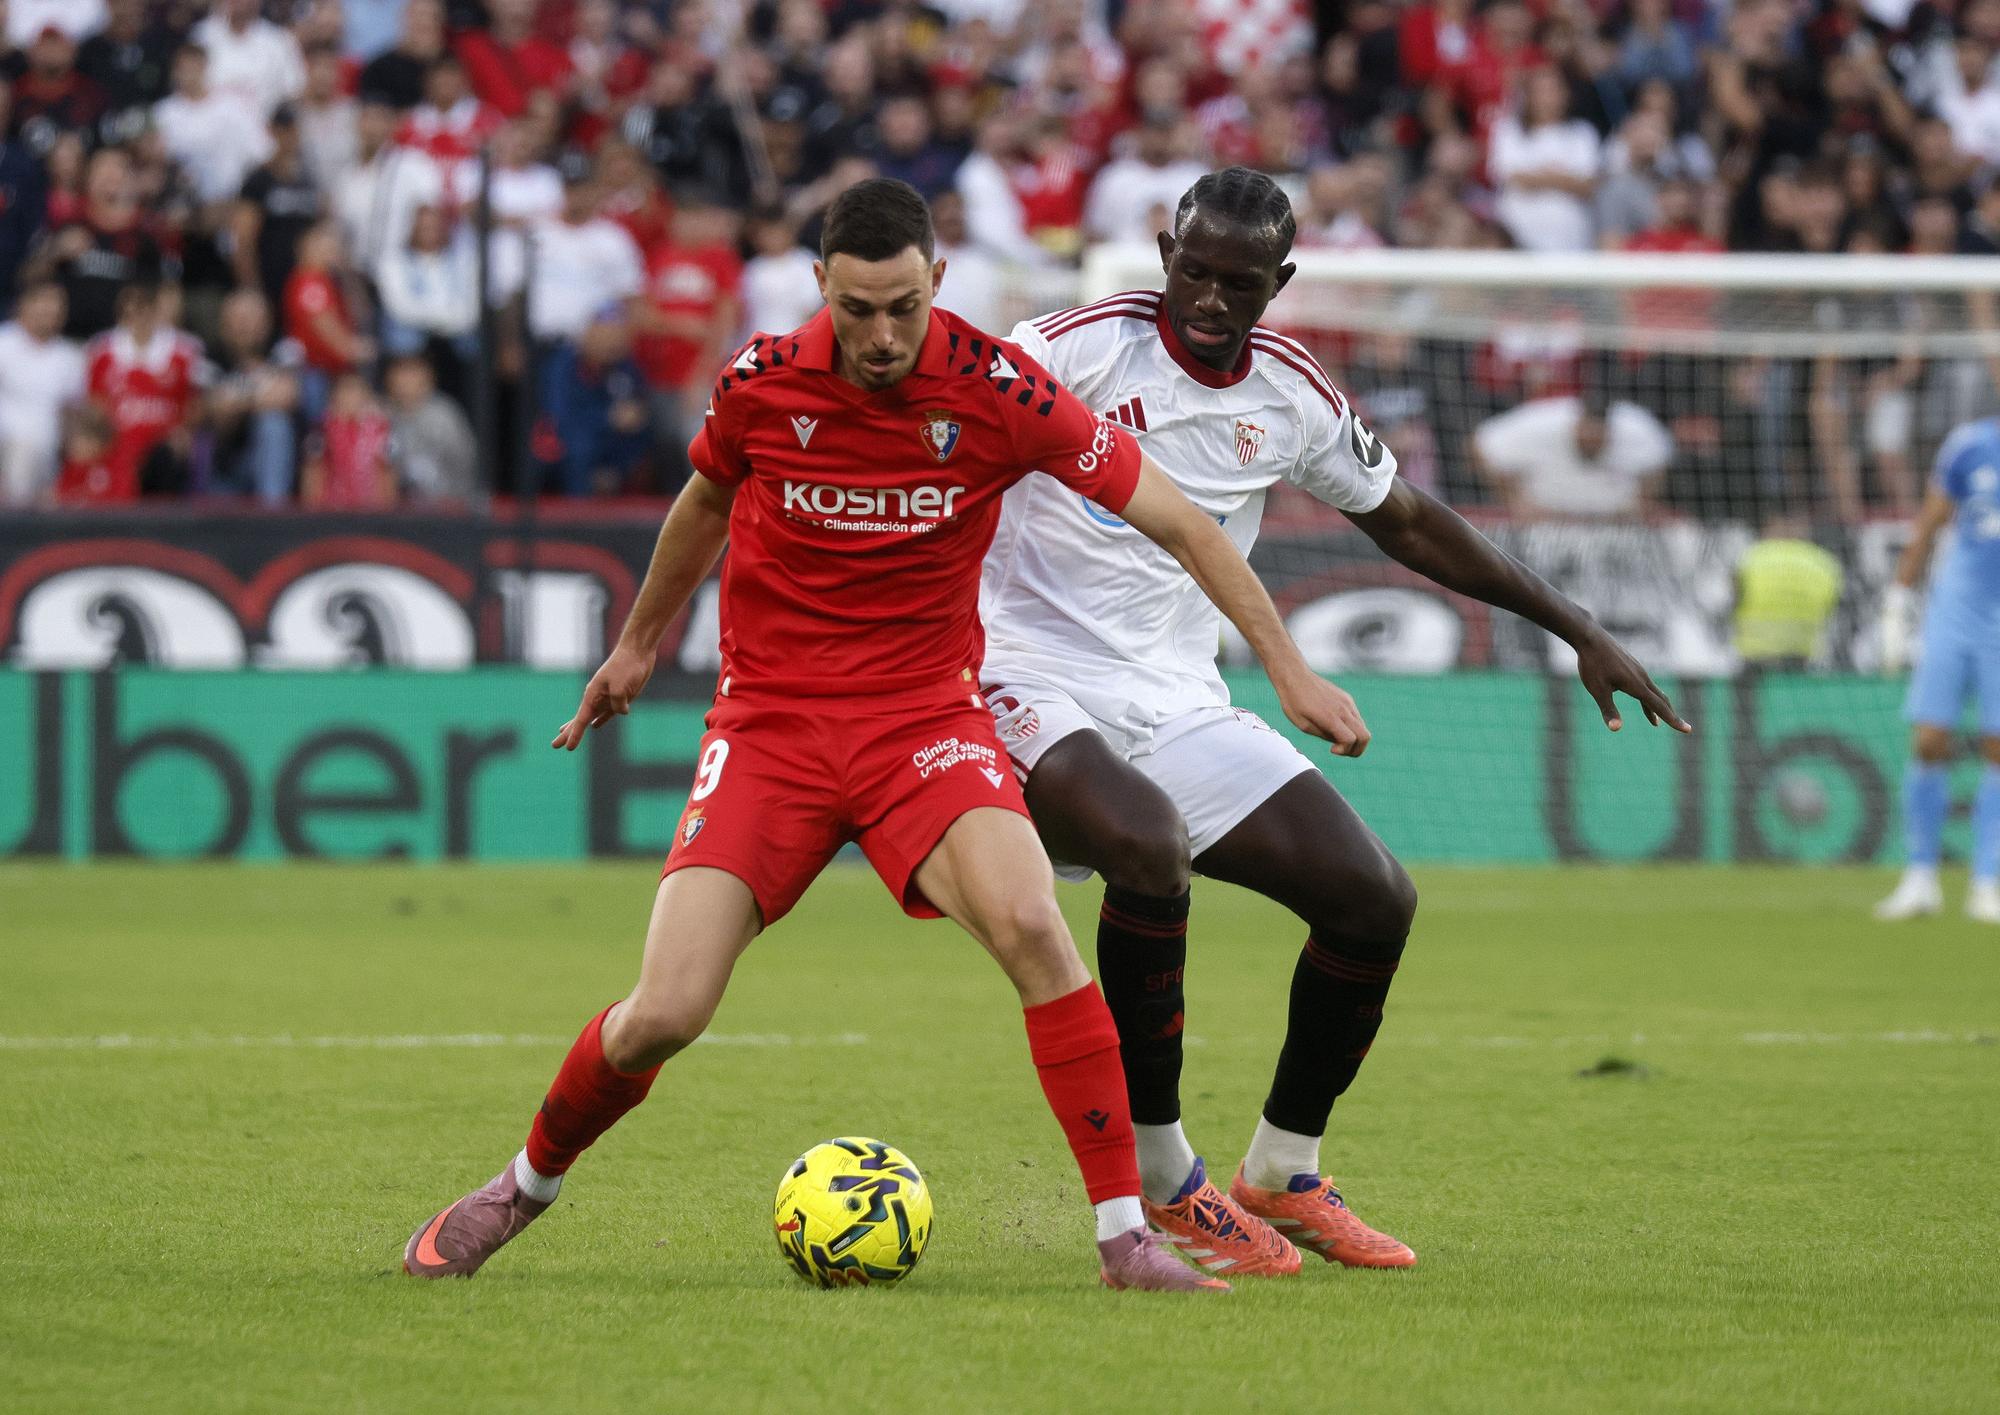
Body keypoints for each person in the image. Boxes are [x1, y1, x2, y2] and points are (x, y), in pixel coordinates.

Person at [401, 177, 1368, 1292]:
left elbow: (1180, 517)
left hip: (924, 721)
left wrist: (1285, 667)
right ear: (820, 287)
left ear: (937, 284)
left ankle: (1123, 1237)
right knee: (661, 1011)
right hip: (772, 727)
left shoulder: (998, 385)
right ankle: (517, 1187)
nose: (880, 335)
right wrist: (634, 646)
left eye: (902, 305)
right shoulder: (761, 382)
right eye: (856, 309)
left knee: (1036, 929)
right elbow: (704, 501)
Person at [979, 168, 1688, 1277]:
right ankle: (1167, 1180)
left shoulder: (1292, 395)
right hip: (1026, 670)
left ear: (1281, 282)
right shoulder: (1059, 347)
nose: (1210, 299)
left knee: (1372, 897)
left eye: (1239, 282)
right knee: (1143, 845)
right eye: (1194, 270)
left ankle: (1281, 1169)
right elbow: (939, 450)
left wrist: (1573, 622)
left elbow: (1404, 520)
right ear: (1165, 251)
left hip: (1172, 693)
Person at [1876, 418, 2000, 924]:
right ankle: (1920, 877)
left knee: (1998, 748)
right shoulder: (1970, 444)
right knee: (1930, 740)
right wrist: (1897, 601)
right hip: (1955, 610)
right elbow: (1929, 525)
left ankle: (1987, 880)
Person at [1473, 388, 1674, 520]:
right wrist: (1514, 501)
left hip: (1614, 525)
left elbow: (1659, 461)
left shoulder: (1639, 430)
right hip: (1545, 523)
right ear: (1577, 426)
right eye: (1585, 439)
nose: (1590, 443)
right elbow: (1479, 444)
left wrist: (1643, 503)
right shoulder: (1538, 423)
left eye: (1597, 442)